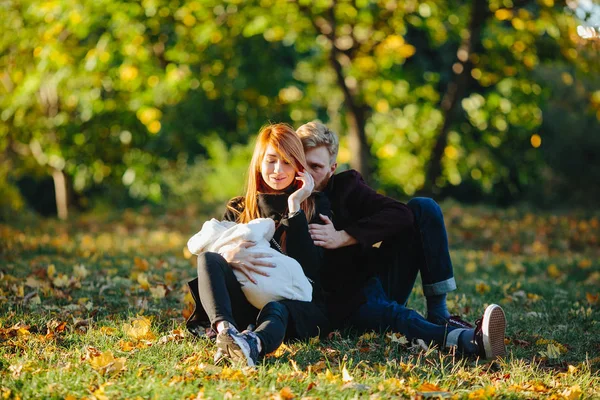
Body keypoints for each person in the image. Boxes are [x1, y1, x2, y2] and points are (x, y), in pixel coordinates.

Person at [295, 121, 506, 360]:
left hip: (375, 281)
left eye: (316, 167)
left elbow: (400, 214)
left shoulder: (346, 187)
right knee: (399, 317)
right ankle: (468, 341)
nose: (306, 174)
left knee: (422, 208)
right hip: (343, 304)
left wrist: (343, 237)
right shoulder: (285, 199)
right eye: (301, 165)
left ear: (332, 169)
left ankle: (439, 312)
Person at [185, 123, 331, 367]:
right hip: (245, 304)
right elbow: (215, 259)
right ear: (259, 162)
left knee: (276, 307)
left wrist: (295, 207)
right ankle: (226, 334)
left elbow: (310, 269)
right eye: (271, 160)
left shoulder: (315, 205)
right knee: (208, 258)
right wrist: (229, 254)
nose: (277, 170)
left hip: (293, 310)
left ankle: (254, 344)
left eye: (287, 162)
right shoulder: (238, 208)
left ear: (298, 165)